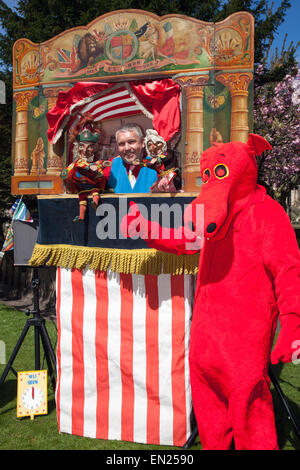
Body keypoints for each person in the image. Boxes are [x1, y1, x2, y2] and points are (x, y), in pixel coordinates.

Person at [121, 133, 300, 450]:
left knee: (249, 409)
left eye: (219, 172)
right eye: (208, 174)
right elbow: (184, 240)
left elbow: (289, 273)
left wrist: (292, 325)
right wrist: (146, 228)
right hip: (205, 339)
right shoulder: (214, 215)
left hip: (244, 340)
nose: (212, 181)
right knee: (210, 412)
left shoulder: (267, 214)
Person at [103, 123, 158, 194]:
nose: (127, 148)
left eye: (131, 142)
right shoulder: (110, 166)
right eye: (121, 144)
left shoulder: (156, 166)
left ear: (142, 142)